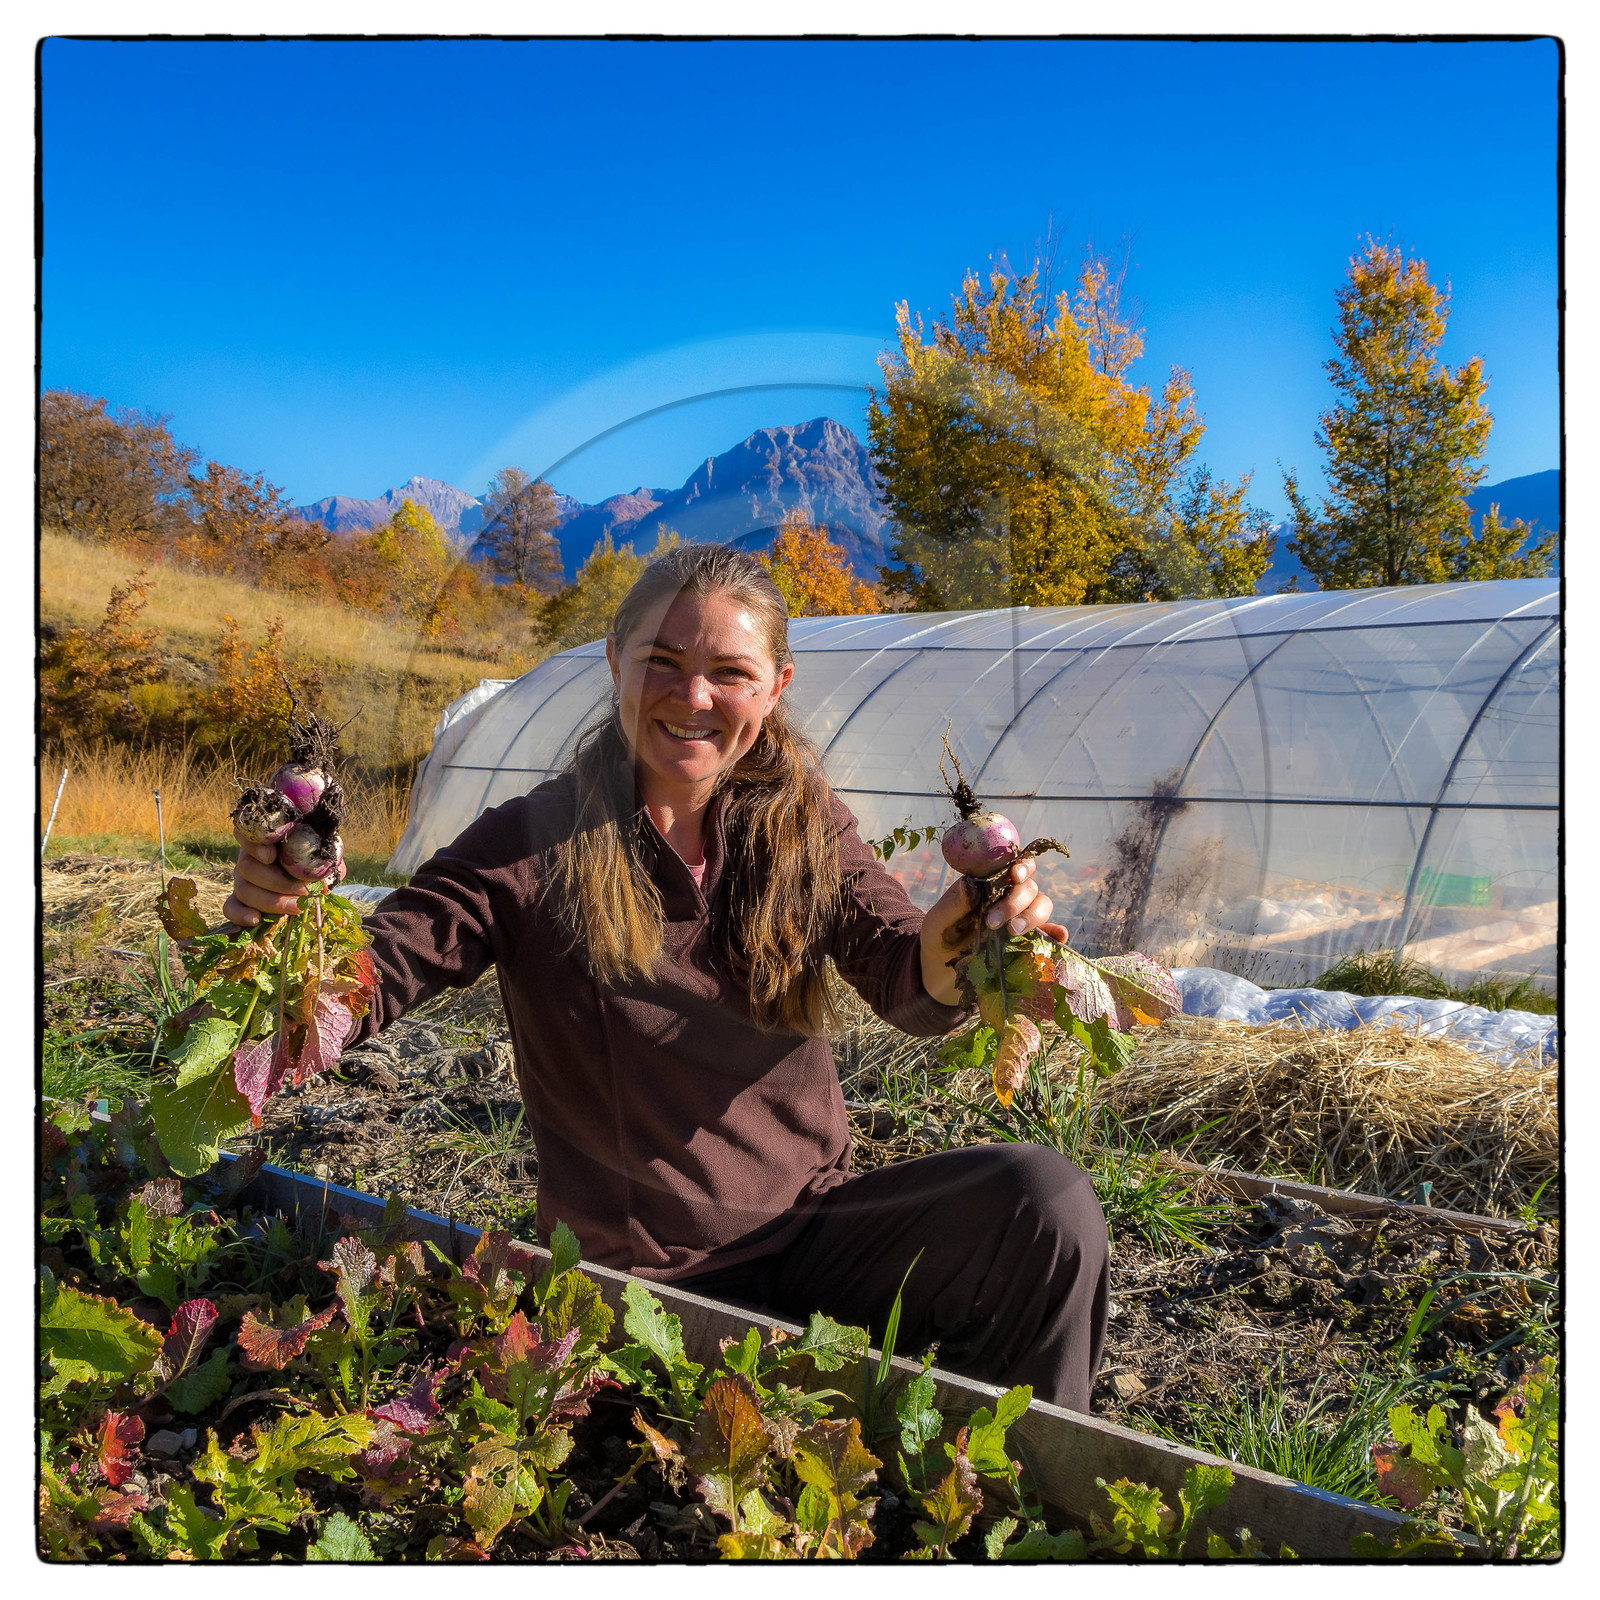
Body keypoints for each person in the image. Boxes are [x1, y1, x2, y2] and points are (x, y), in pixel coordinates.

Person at [226, 544, 1109, 1411]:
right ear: (614, 663)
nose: (694, 698)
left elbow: (903, 977)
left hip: (816, 1233)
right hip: (654, 1299)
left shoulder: (802, 824)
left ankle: (1031, 1491)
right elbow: (367, 980)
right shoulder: (528, 846)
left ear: (775, 688)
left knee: (1044, 1201)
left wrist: (963, 939)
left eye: (729, 671)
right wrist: (283, 933)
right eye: (662, 662)